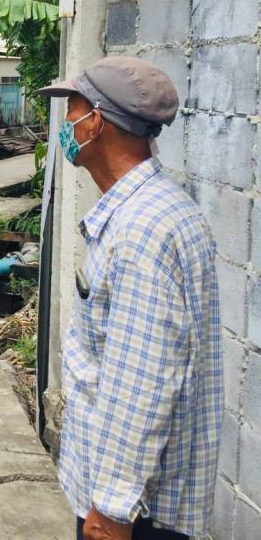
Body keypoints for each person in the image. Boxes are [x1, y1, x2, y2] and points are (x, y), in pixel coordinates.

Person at [38, 57, 222, 540]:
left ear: (95, 122)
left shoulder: (141, 231)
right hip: (133, 500)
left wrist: (112, 510)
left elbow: (142, 385)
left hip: (136, 513)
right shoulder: (155, 209)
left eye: (72, 110)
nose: (66, 124)